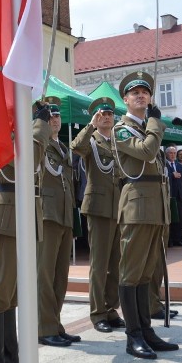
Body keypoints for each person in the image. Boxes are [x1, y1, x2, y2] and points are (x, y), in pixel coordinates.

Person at [112, 71, 178, 359]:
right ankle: (133, 335)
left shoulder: (148, 127)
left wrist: (153, 125)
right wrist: (155, 123)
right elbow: (147, 152)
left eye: (145, 92)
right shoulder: (121, 129)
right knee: (131, 272)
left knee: (146, 273)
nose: (141, 95)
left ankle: (146, 330)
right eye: (135, 92)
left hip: (155, 206)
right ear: (125, 99)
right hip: (137, 205)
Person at [0, 105, 51, 363]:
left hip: (23, 209)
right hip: (6, 211)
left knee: (13, 296)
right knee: (0, 292)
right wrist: (40, 126)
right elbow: (29, 158)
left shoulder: (20, 127)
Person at [70, 96, 126, 334]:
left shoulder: (118, 142)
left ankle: (111, 309)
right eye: (102, 114)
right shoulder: (91, 141)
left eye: (110, 114)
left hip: (118, 208)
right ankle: (97, 313)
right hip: (98, 208)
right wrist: (90, 125)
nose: (106, 117)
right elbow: (75, 149)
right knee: (100, 264)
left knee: (117, 264)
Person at [36, 96, 78, 347]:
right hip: (46, 214)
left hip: (63, 214)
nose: (55, 119)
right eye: (50, 116)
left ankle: (55, 323)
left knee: (61, 275)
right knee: (45, 273)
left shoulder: (63, 148)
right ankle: (44, 327)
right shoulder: (39, 144)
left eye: (58, 116)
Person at [163, 146, 182, 246]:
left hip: (179, 197)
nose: (173, 155)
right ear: (166, 154)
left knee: (179, 219)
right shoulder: (164, 164)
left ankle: (178, 239)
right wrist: (172, 175)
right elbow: (163, 176)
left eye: (174, 153)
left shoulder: (178, 165)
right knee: (170, 219)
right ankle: (169, 240)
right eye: (171, 153)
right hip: (169, 196)